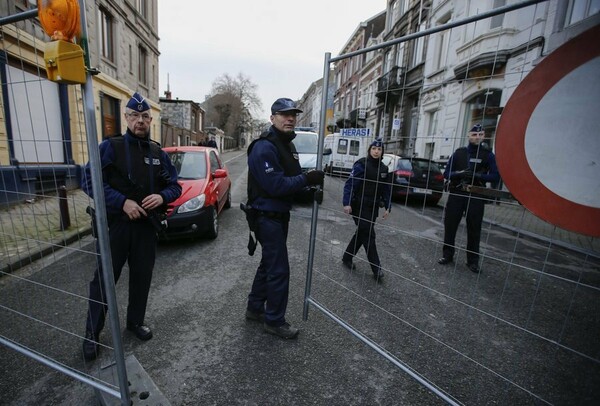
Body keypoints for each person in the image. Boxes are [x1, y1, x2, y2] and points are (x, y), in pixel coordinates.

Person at [81, 92, 182, 360]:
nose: (140, 121)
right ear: (126, 118)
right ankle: (92, 333)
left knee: (141, 278)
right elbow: (88, 181)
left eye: (145, 117)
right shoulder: (109, 148)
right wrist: (121, 202)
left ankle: (135, 322)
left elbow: (175, 186)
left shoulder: (158, 153)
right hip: (117, 226)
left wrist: (162, 196)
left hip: (146, 229)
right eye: (135, 116)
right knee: (103, 281)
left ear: (151, 120)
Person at [244, 97, 324, 339]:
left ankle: (255, 308)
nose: (290, 118)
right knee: (279, 270)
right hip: (266, 217)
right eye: (284, 114)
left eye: (293, 115)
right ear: (273, 118)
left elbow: (291, 179)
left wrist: (308, 190)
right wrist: (306, 179)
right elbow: (275, 185)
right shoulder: (264, 147)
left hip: (279, 215)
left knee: (268, 264)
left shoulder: (287, 145)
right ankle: (274, 320)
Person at [437, 123, 500, 273]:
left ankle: (472, 261)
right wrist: (459, 174)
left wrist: (479, 176)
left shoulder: (488, 155)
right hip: (457, 193)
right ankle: (447, 255)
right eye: (474, 134)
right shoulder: (459, 153)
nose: (477, 137)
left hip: (476, 195)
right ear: (468, 136)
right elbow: (446, 174)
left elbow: (496, 176)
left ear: (484, 136)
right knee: (450, 225)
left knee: (474, 229)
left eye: (480, 135)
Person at [342, 139, 392, 281]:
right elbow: (350, 184)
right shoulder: (361, 164)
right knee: (369, 234)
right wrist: (347, 202)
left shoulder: (384, 168)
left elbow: (386, 189)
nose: (376, 151)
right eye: (374, 148)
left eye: (379, 149)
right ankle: (376, 268)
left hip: (373, 207)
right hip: (359, 206)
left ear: (382, 152)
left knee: (363, 232)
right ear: (370, 150)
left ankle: (347, 257)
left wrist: (388, 206)